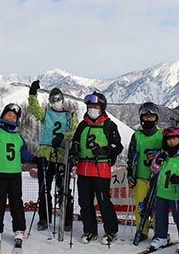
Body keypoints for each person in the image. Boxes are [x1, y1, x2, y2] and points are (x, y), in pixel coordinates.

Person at [0, 101, 38, 248]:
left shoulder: (18, 137)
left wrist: (36, 159)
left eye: (14, 117)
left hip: (14, 175)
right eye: (9, 115)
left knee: (16, 203)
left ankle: (19, 229)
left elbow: (23, 155)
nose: (11, 118)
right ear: (3, 115)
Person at [70, 92, 124, 245]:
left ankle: (111, 231)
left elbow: (118, 146)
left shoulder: (109, 125)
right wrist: (74, 153)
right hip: (83, 168)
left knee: (103, 201)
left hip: (101, 169)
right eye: (89, 107)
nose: (92, 109)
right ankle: (90, 230)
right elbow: (75, 142)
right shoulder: (83, 125)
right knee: (84, 202)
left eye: (95, 107)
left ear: (101, 108)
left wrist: (105, 150)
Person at [27, 81, 78, 232]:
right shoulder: (46, 114)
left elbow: (76, 132)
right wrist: (32, 94)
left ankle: (66, 218)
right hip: (46, 155)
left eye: (58, 99)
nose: (56, 102)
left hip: (62, 156)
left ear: (63, 99)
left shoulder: (69, 116)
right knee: (44, 188)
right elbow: (34, 108)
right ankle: (44, 217)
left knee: (64, 189)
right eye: (52, 100)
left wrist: (64, 136)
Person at [148, 127, 179, 250]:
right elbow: (155, 169)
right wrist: (157, 161)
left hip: (176, 191)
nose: (171, 142)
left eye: (174, 138)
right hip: (162, 190)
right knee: (160, 214)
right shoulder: (163, 154)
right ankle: (161, 236)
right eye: (169, 139)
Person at [126, 102, 163, 242]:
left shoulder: (161, 134)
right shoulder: (137, 135)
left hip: (157, 178)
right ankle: (142, 230)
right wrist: (130, 174)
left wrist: (158, 154)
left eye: (151, 117)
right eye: (146, 117)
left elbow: (168, 153)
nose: (149, 119)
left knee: (157, 208)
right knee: (140, 206)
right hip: (141, 177)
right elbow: (131, 156)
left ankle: (159, 232)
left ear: (156, 118)